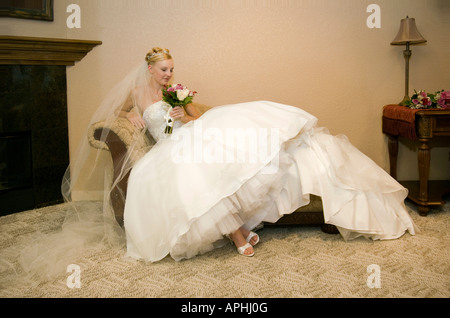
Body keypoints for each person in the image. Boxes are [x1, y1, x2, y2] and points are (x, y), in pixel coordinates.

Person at [108, 47, 415, 262]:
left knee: (210, 165)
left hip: (189, 135)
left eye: (172, 69)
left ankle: (239, 234)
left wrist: (182, 115)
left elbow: (195, 119)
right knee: (192, 173)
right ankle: (238, 232)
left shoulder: (177, 90)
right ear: (150, 69)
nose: (169, 74)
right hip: (168, 147)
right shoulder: (136, 91)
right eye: (164, 69)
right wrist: (130, 116)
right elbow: (120, 110)